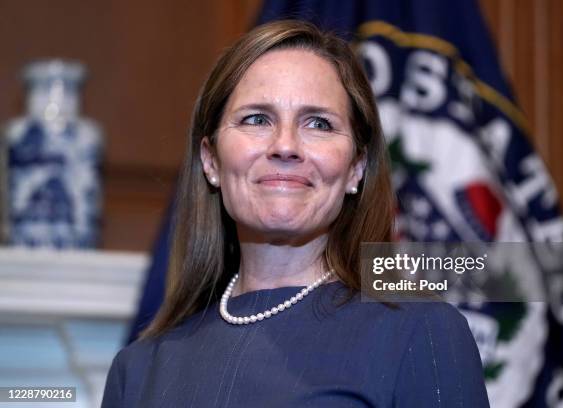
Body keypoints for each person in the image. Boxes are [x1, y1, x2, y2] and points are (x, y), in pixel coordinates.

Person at [101, 20, 489, 407]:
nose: (285, 146)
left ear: (355, 168)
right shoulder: (137, 370)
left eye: (318, 123)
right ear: (211, 160)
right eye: (257, 119)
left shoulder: (421, 331)